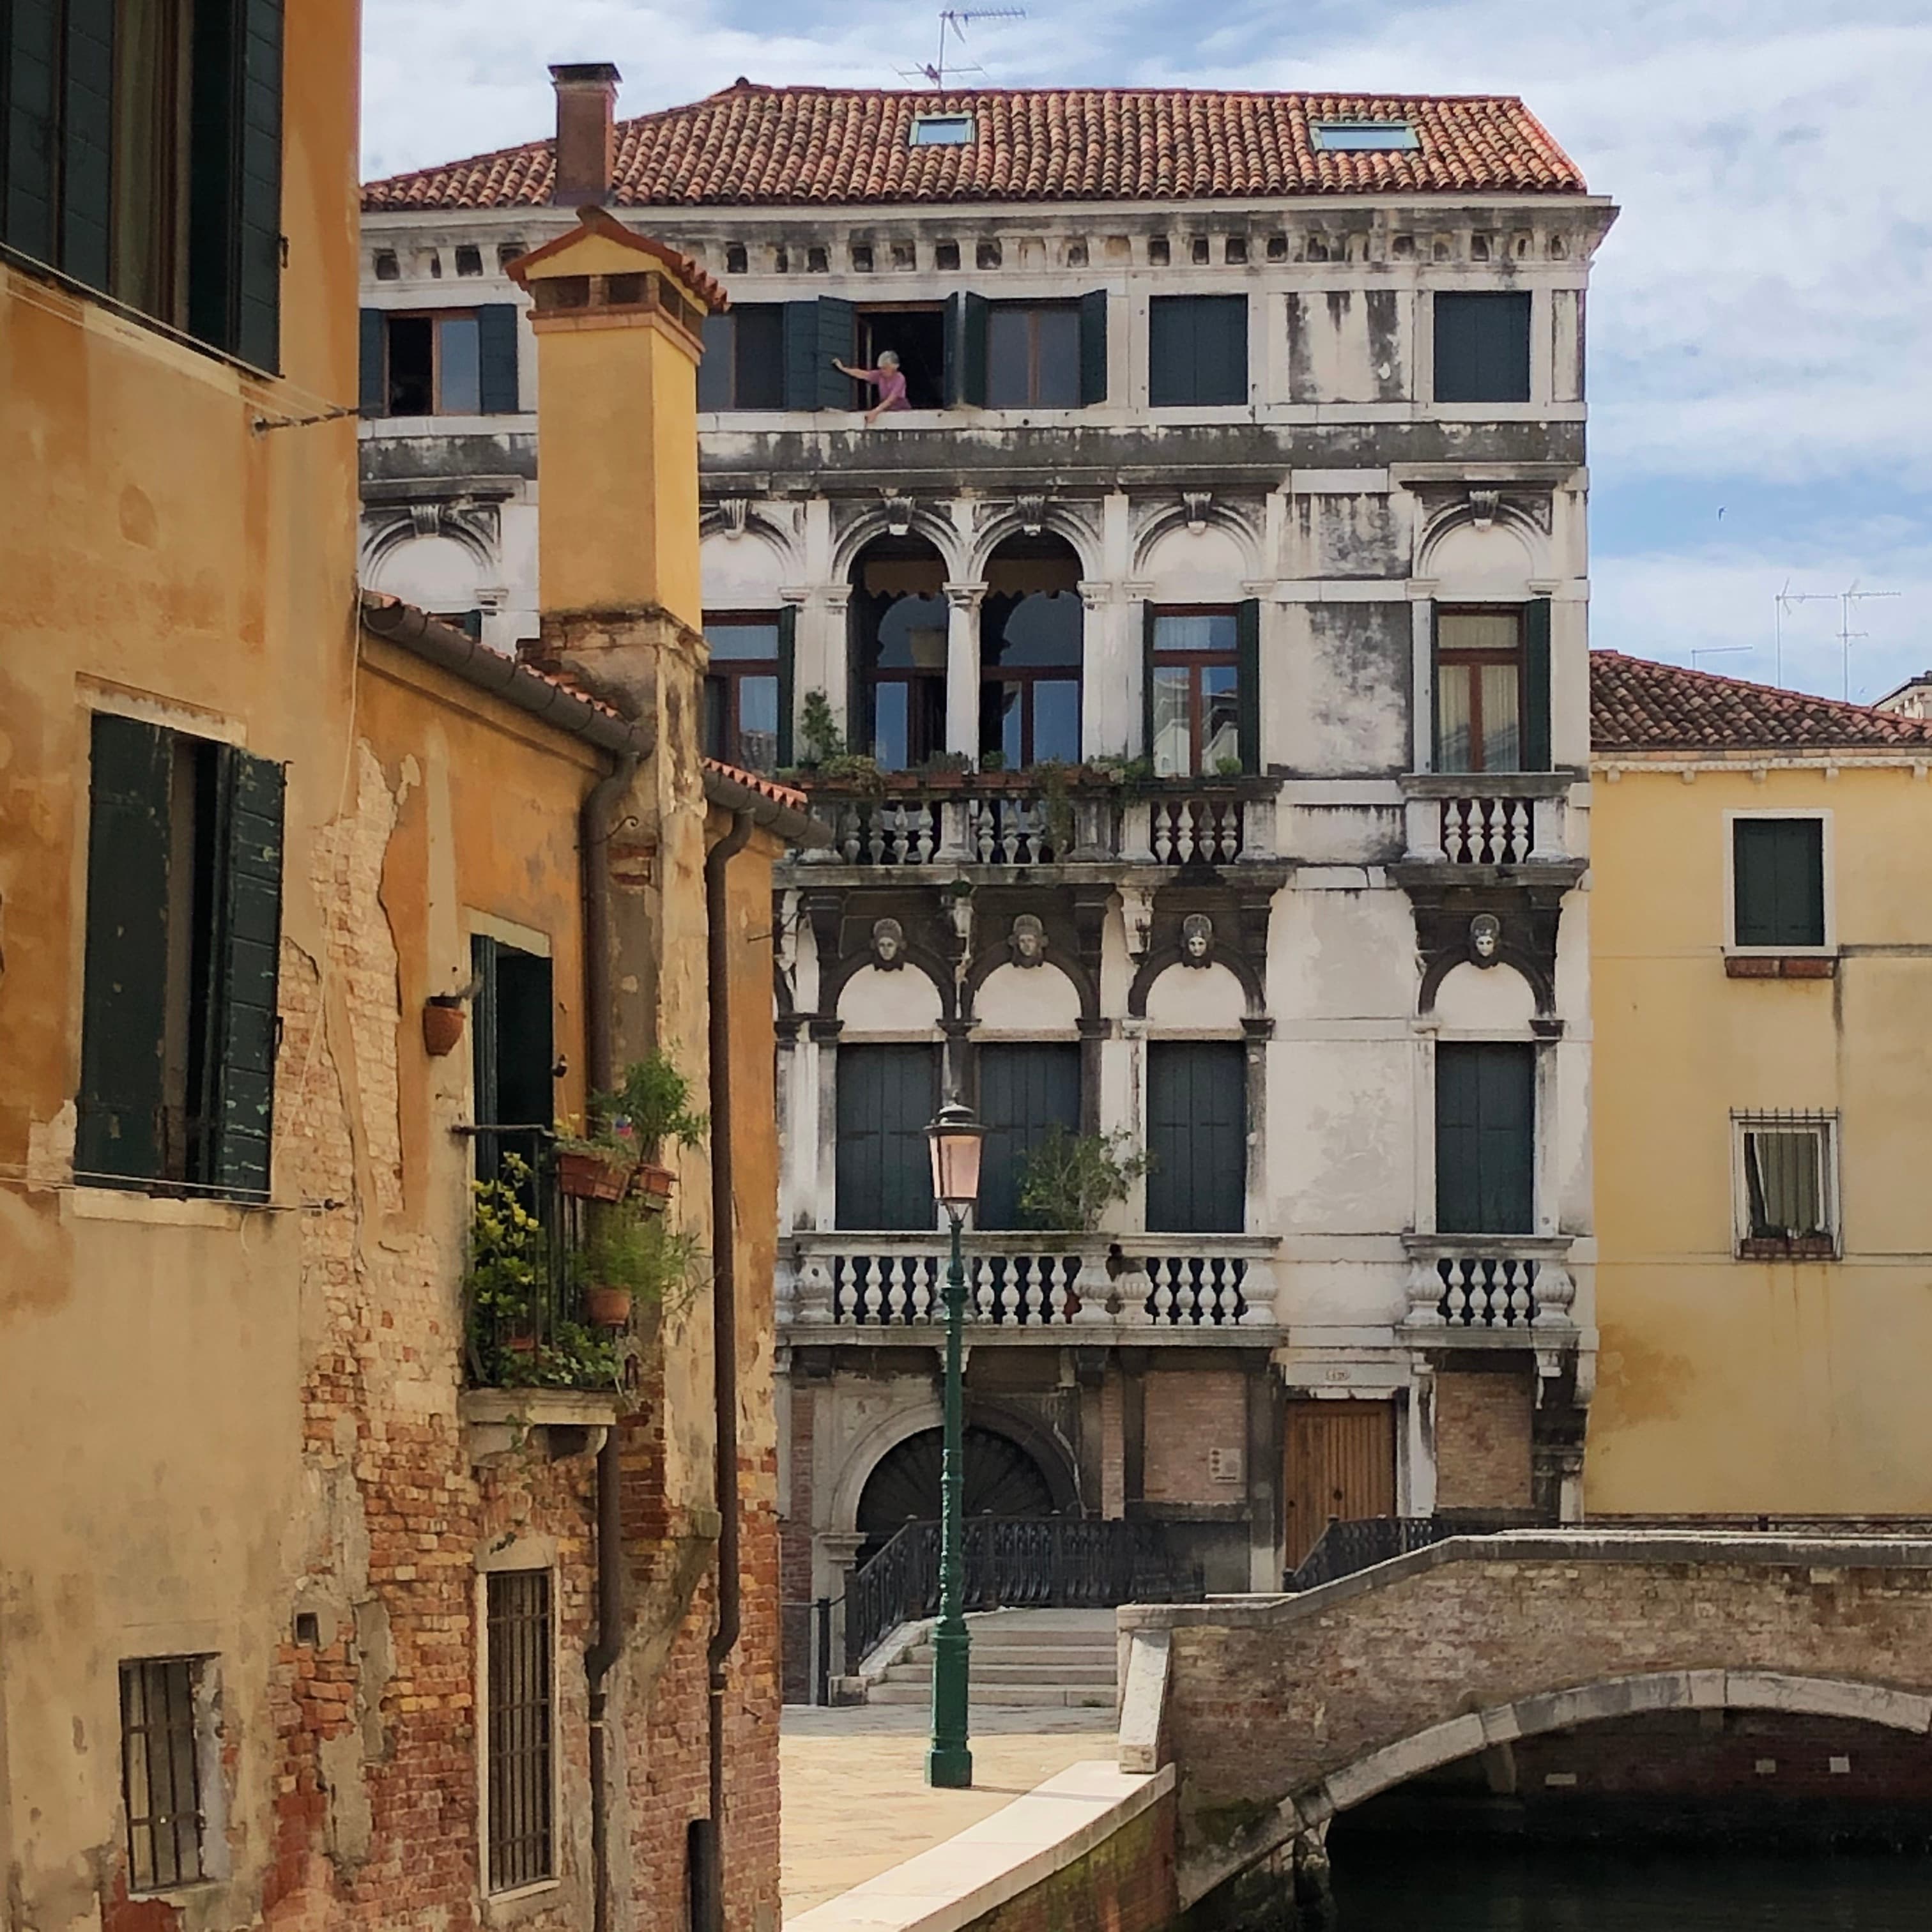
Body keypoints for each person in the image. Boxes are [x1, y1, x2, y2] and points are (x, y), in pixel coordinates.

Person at [834, 348, 908, 422]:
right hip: (886, 411)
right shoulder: (880, 375)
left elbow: (891, 399)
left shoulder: (900, 378)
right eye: (881, 368)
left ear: (894, 367)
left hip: (902, 412)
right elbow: (863, 374)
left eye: (885, 368)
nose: (882, 371)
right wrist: (843, 369)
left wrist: (875, 412)